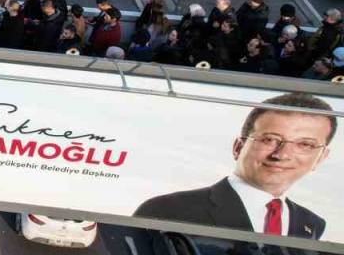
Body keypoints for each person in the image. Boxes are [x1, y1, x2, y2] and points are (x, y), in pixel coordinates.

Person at [134, 92, 334, 238]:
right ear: (238, 147)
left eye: (305, 144)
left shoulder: (311, 223)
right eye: (270, 139)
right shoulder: (167, 210)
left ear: (320, 158)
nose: (281, 154)